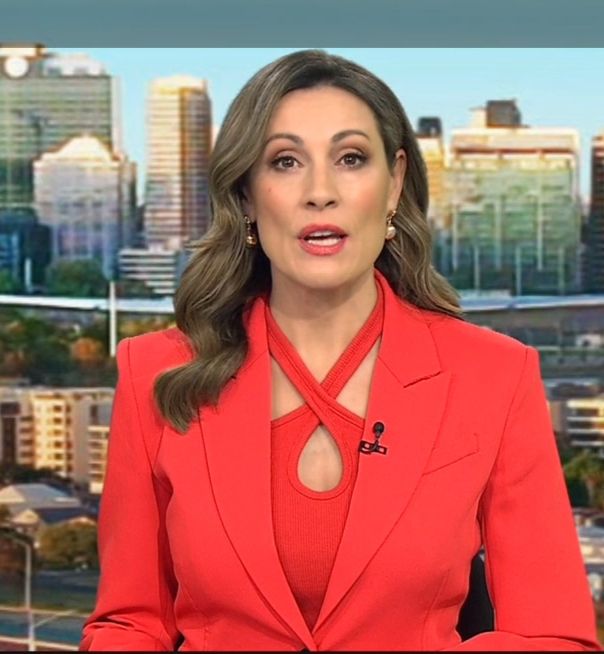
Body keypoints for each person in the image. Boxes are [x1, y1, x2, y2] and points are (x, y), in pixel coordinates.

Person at [79, 49, 601, 651]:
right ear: (246, 195)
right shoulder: (158, 372)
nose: (320, 192)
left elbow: (552, 635)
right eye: (285, 161)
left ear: (394, 182)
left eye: (350, 159)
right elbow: (130, 624)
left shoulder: (494, 376)